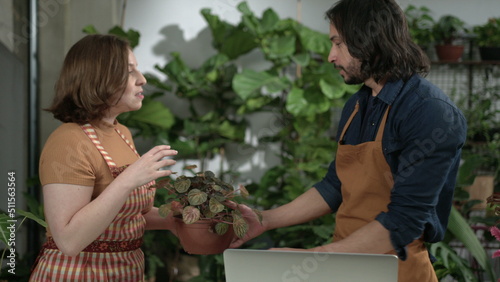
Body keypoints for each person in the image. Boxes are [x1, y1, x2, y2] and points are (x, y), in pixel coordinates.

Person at [230, 0, 467, 281]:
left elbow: (404, 222)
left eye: (339, 43)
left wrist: (314, 259)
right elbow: (335, 185)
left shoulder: (429, 111)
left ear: (370, 40)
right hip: (343, 264)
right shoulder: (357, 106)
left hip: (394, 270)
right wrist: (264, 219)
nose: (331, 56)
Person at [30, 34, 178, 281]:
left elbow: (126, 215)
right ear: (100, 77)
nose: (142, 79)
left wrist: (176, 219)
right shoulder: (68, 141)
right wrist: (129, 179)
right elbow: (68, 240)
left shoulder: (121, 133)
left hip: (125, 270)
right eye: (130, 71)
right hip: (79, 273)